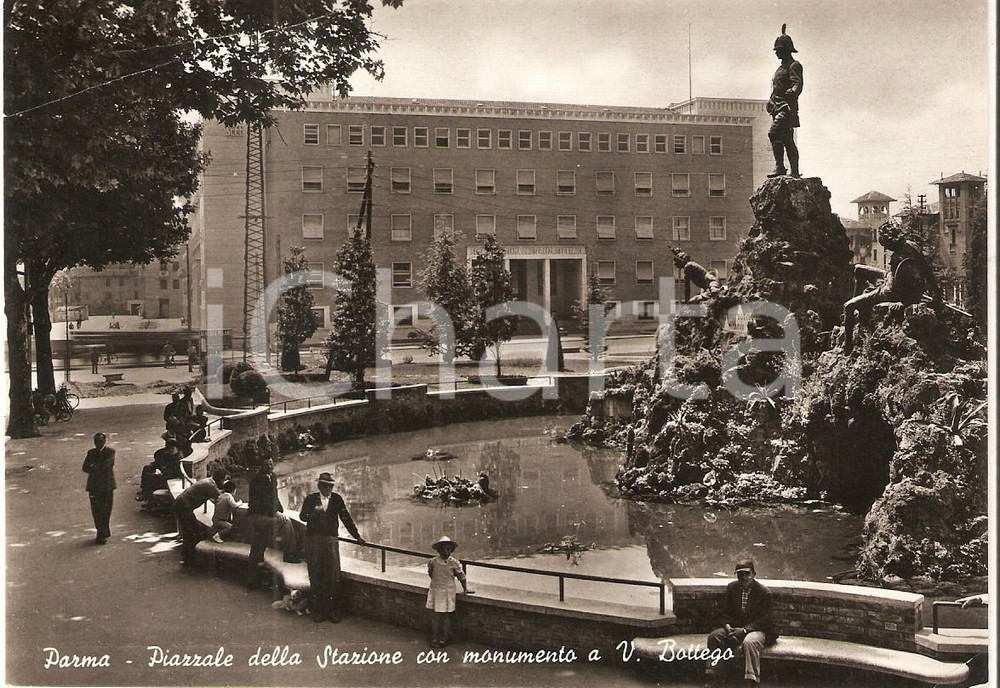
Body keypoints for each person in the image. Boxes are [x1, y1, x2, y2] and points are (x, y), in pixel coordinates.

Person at [842, 222, 942, 354]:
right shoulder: (912, 246)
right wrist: (937, 293)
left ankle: (847, 345)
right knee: (859, 269)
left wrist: (900, 302)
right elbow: (926, 271)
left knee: (848, 306)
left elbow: (895, 290)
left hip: (888, 291)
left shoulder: (896, 257)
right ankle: (861, 310)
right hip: (893, 279)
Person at [299, 472, 366, 623]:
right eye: (325, 485)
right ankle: (318, 610)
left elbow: (346, 518)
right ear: (319, 485)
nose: (328, 488)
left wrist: (357, 536)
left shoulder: (336, 499)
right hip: (314, 540)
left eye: (330, 486)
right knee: (316, 574)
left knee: (332, 575)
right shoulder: (310, 499)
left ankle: (332, 610)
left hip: (330, 541)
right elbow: (302, 517)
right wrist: (313, 514)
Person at [705, 559, 777, 687]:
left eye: (746, 574)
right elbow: (724, 612)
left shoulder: (764, 592)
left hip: (757, 630)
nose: (743, 577)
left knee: (750, 642)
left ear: (754, 574)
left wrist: (744, 630)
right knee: (714, 636)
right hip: (736, 629)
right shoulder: (732, 588)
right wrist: (728, 629)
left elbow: (766, 620)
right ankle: (716, 676)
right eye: (740, 574)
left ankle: (752, 681)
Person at [766, 24, 803, 178]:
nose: (776, 53)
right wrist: (770, 100)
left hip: (786, 107)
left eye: (779, 50)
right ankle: (791, 170)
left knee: (773, 133)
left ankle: (782, 167)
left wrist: (793, 91)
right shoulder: (780, 69)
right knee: (786, 139)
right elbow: (777, 87)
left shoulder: (794, 65)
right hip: (777, 106)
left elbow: (797, 83)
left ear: (786, 49)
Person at [426, 536, 472, 648]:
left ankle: (444, 638)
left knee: (446, 616)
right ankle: (435, 637)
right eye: (443, 549)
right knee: (436, 616)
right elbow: (431, 574)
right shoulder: (433, 562)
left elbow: (461, 576)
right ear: (439, 550)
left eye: (448, 549)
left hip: (447, 591)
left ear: (451, 550)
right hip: (436, 590)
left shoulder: (454, 563)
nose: (445, 552)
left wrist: (465, 588)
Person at [174, 469, 227, 566]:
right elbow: (222, 500)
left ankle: (189, 559)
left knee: (189, 531)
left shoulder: (208, 481)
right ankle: (190, 560)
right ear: (221, 479)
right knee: (193, 531)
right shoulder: (211, 486)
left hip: (182, 503)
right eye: (223, 480)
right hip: (184, 506)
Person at [245, 458, 283, 589]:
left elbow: (274, 496)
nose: (270, 467)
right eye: (267, 464)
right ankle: (252, 580)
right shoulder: (258, 480)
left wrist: (280, 509)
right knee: (257, 548)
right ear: (262, 466)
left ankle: (258, 579)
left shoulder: (272, 477)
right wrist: (275, 513)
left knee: (260, 548)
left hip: (265, 516)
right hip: (258, 516)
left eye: (272, 464)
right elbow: (263, 501)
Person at [82, 432, 116, 545]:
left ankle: (103, 530)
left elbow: (108, 465)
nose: (98, 444)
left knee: (106, 510)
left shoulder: (110, 452)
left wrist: (94, 466)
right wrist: (98, 467)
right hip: (94, 486)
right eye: (96, 442)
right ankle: (100, 532)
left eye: (100, 441)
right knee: (96, 510)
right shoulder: (91, 452)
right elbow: (85, 467)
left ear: (104, 441)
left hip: (107, 486)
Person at [137, 437, 184, 502]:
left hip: (172, 477)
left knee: (153, 478)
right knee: (147, 468)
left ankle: (147, 497)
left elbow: (175, 473)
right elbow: (160, 460)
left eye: (172, 449)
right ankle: (144, 490)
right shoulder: (169, 454)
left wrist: (161, 473)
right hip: (165, 472)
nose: (170, 451)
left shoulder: (178, 458)